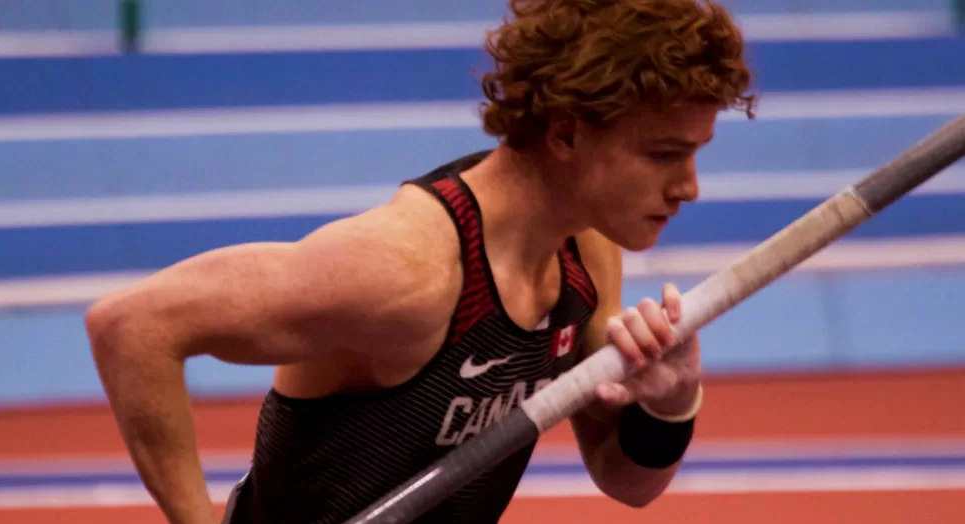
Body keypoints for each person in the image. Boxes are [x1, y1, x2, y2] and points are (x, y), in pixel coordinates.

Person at [85, 0, 754, 522]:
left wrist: (669, 402)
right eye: (665, 155)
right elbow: (132, 325)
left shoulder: (583, 250)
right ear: (568, 132)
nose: (690, 187)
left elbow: (626, 482)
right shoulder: (406, 273)